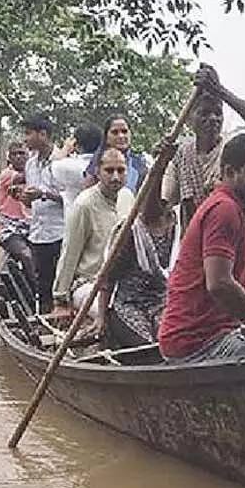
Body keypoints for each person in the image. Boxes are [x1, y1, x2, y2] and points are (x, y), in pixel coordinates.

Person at [160, 63, 245, 314]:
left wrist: (221, 91)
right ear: (189, 120)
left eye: (218, 113)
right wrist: (159, 165)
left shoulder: (234, 151)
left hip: (243, 260)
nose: (213, 119)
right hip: (200, 262)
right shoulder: (180, 155)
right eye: (204, 113)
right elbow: (160, 208)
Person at [157, 133, 245, 363]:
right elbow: (219, 284)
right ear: (229, 172)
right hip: (194, 342)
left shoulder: (234, 207)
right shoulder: (224, 210)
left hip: (215, 332)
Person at [92, 146, 179, 349]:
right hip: (130, 304)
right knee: (147, 346)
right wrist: (101, 318)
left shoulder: (176, 225)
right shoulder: (130, 232)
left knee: (172, 339)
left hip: (162, 302)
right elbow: (107, 278)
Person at [52, 147, 133, 322]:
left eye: (121, 170)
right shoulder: (84, 204)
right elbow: (69, 252)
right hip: (89, 284)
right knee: (112, 316)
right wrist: (60, 299)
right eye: (109, 171)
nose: (115, 177)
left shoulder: (128, 198)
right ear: (97, 172)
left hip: (121, 283)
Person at [19, 113, 66, 313]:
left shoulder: (62, 162)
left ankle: (63, 320)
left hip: (61, 233)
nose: (25, 139)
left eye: (28, 133)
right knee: (43, 285)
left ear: (43, 135)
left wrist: (44, 194)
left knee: (63, 284)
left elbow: (72, 199)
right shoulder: (30, 164)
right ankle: (45, 320)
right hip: (38, 233)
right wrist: (25, 198)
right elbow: (31, 204)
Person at [0, 141, 35, 280]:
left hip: (30, 225)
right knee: (26, 254)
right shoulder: (7, 175)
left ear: (28, 155)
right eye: (14, 154)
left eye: (22, 153)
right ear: (9, 158)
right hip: (9, 227)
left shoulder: (34, 174)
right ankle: (38, 289)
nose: (18, 157)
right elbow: (22, 178)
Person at [83, 114, 150, 193]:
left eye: (124, 131)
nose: (121, 136)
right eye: (115, 132)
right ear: (106, 136)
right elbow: (88, 192)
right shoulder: (97, 161)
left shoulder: (138, 164)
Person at [53, 122, 103, 213]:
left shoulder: (68, 166)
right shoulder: (105, 166)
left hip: (74, 218)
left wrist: (66, 148)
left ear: (76, 145)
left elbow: (53, 165)